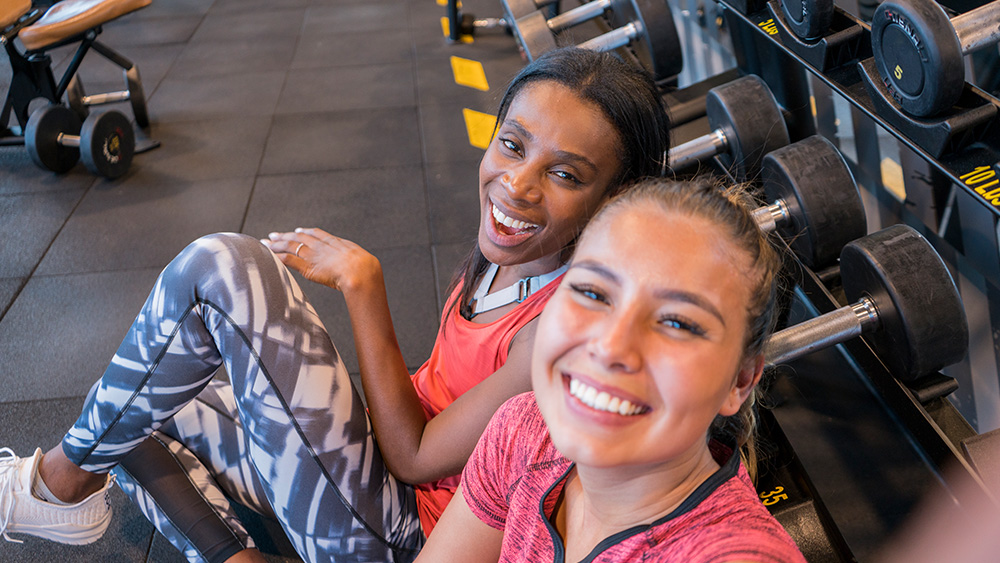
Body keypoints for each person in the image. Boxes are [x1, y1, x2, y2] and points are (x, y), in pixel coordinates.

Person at [0, 47, 671, 563]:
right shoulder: (504, 259)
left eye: (564, 174)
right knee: (134, 398)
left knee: (223, 268)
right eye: (512, 143)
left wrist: (364, 283)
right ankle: (233, 554)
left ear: (613, 203)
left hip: (405, 534)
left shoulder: (558, 333)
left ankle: (56, 484)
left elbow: (413, 457)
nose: (517, 184)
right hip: (369, 483)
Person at [416, 178, 807, 562]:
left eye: (677, 323)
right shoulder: (522, 429)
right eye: (593, 293)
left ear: (738, 382)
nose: (609, 347)